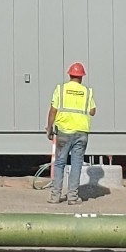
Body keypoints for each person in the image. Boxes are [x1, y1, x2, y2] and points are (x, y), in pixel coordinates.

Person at [47, 62, 97, 203]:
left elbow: (53, 110)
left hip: (64, 131)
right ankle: (73, 197)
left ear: (70, 75)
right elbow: (92, 111)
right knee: (76, 164)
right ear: (81, 77)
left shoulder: (61, 89)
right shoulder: (87, 92)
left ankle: (55, 196)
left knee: (60, 163)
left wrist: (49, 128)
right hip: (81, 133)